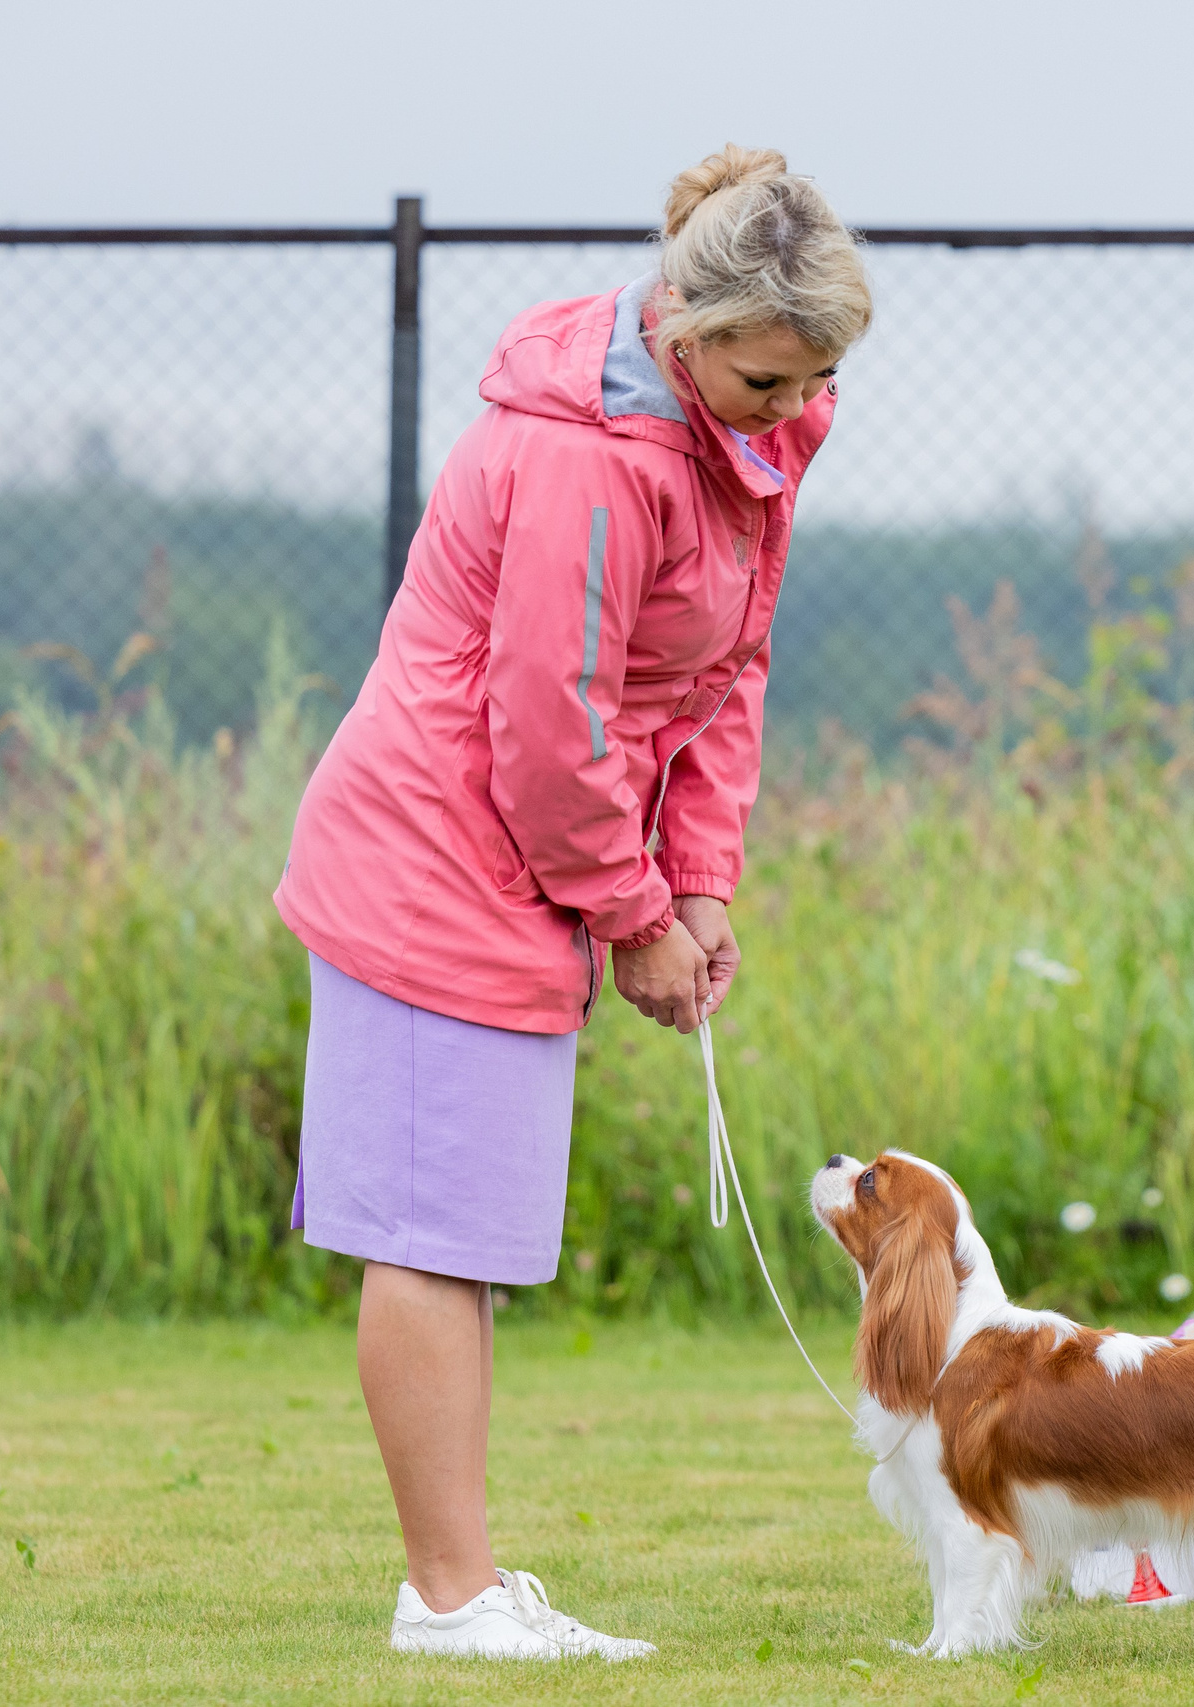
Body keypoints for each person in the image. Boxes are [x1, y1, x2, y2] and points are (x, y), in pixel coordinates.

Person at [271, 145, 870, 1662]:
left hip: (530, 862)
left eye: (814, 379)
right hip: (434, 854)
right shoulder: (593, 458)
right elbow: (554, 721)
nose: (793, 408)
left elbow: (724, 677)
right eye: (764, 378)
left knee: (465, 1221)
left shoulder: (749, 436)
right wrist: (634, 915)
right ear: (682, 326)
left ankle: (464, 1585)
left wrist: (704, 878)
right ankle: (449, 1597)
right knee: (428, 1227)